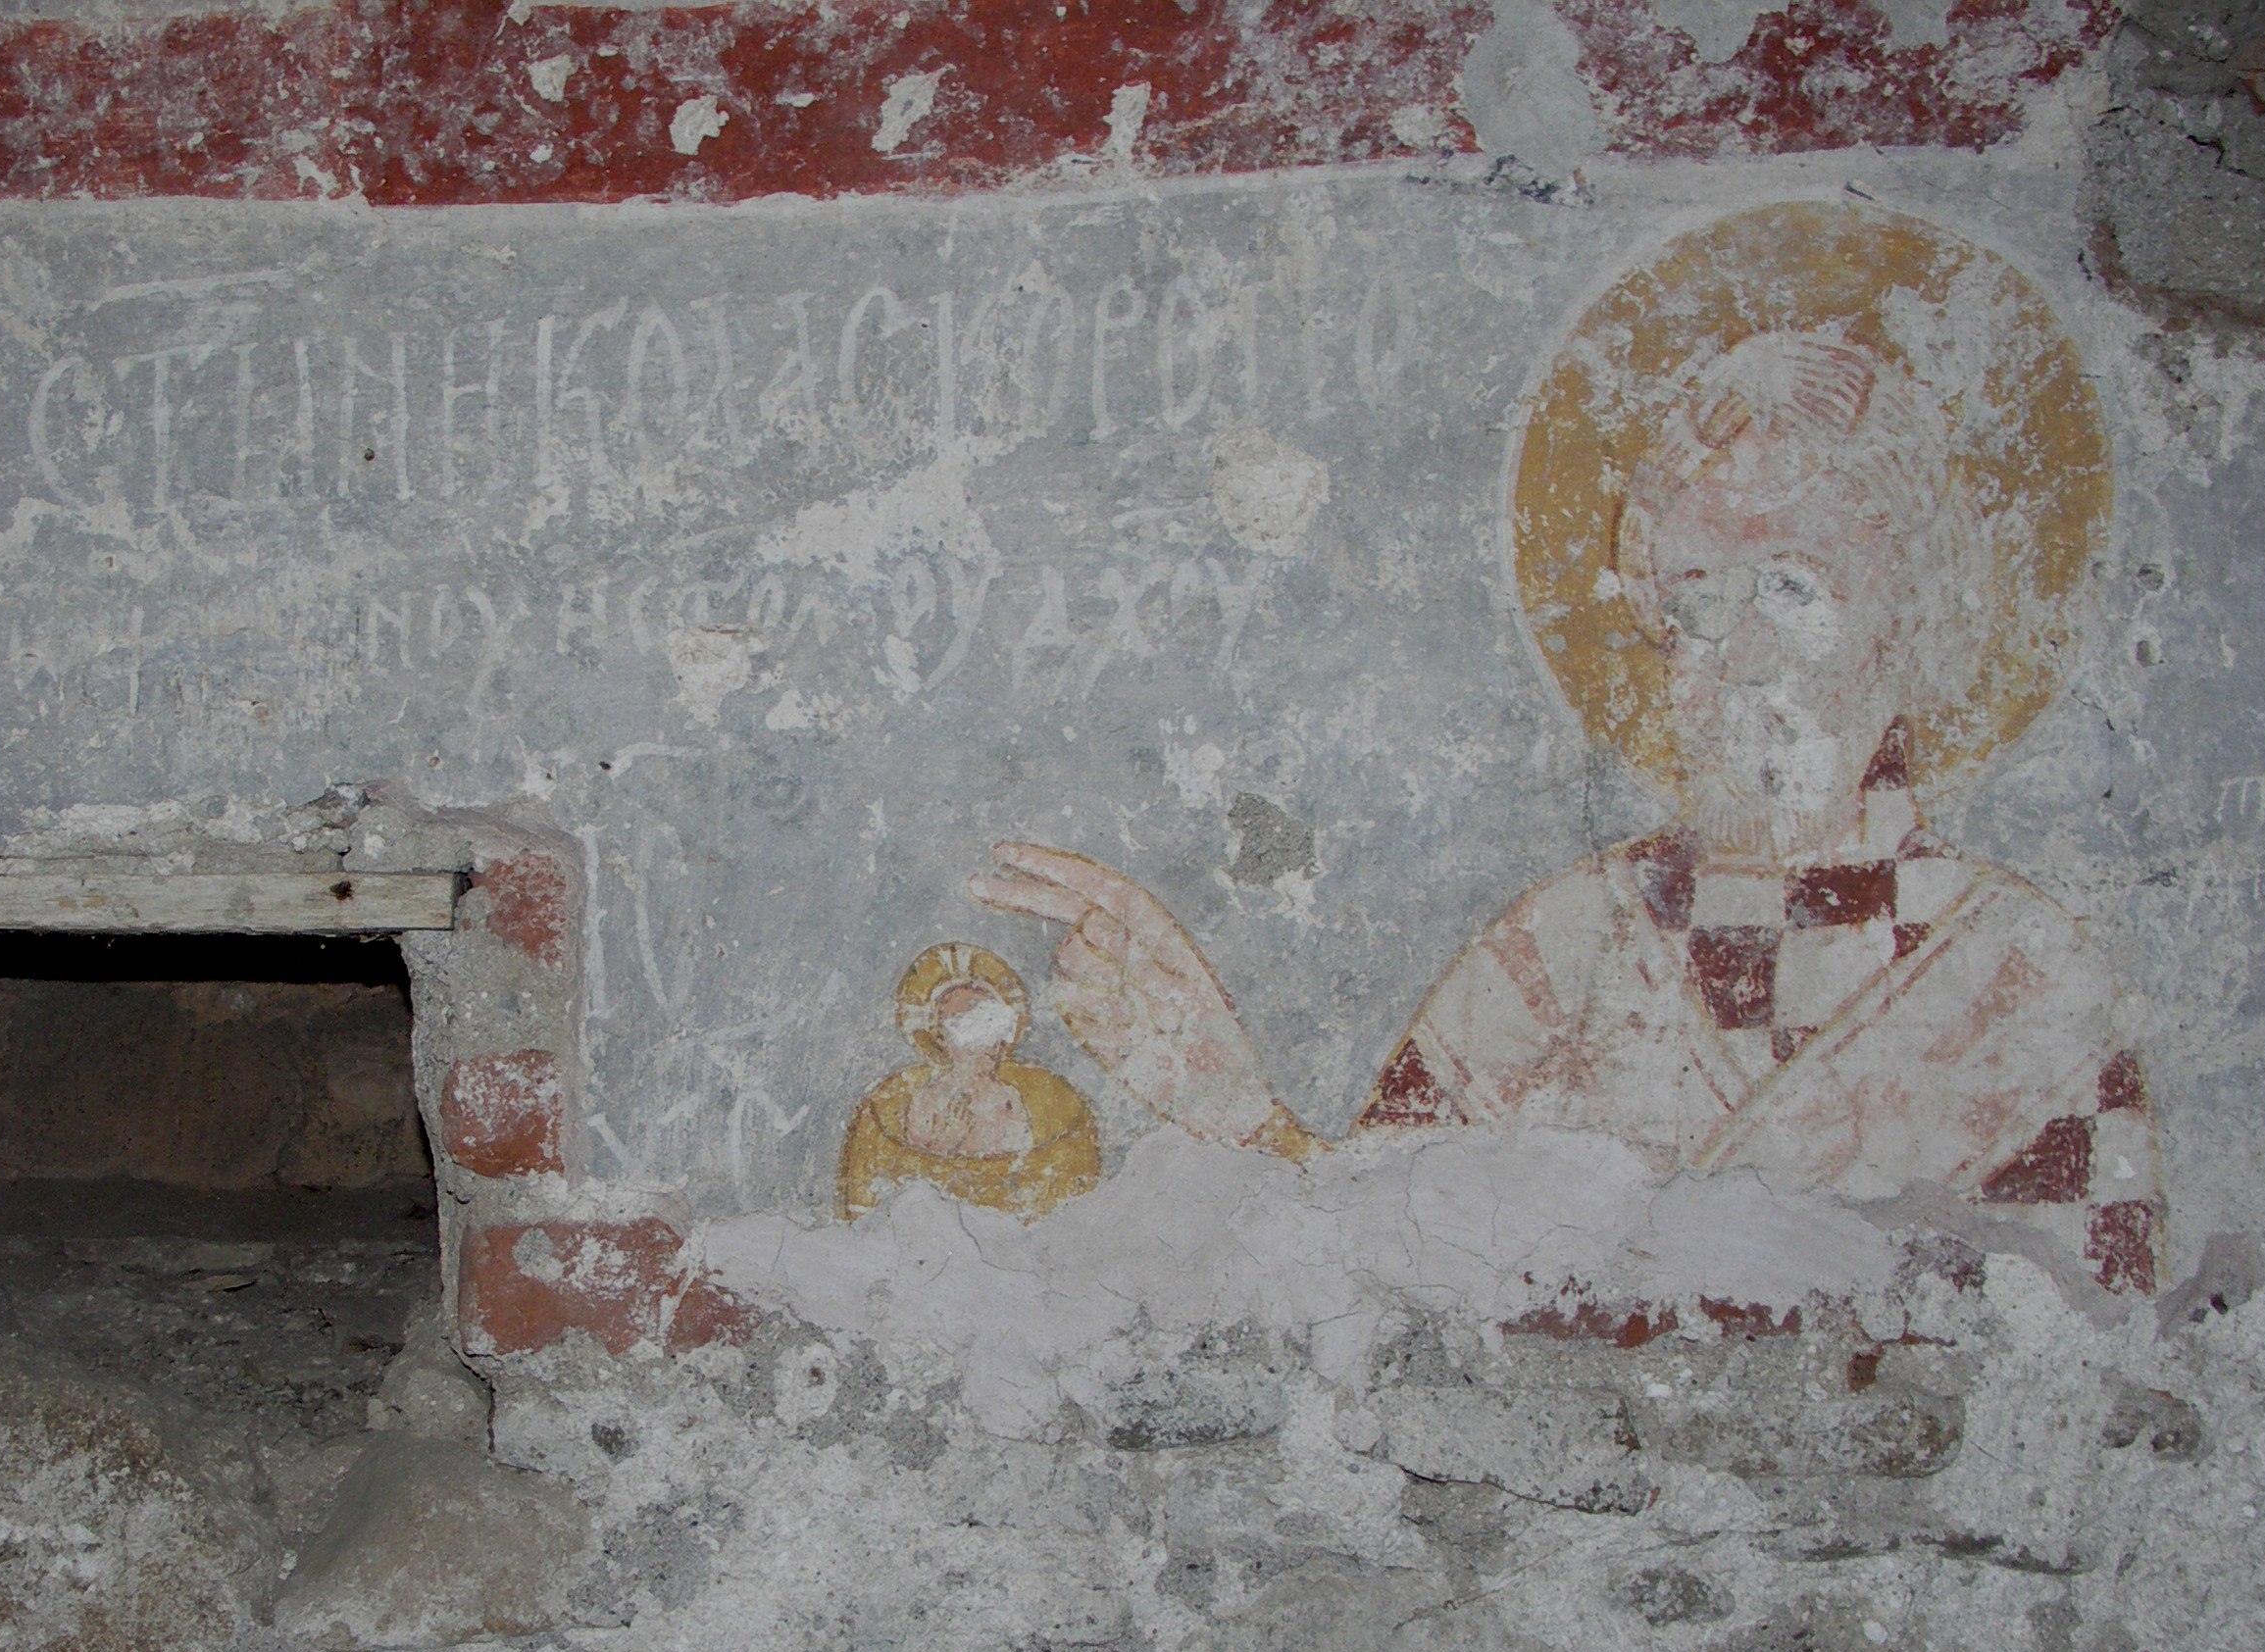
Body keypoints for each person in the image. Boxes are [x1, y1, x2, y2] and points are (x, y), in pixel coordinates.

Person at [974, 319, 2161, 1294]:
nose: (1736, 652)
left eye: (1792, 590)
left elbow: (2089, 1374)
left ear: (1906, 618)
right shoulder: (1556, 952)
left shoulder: (2019, 981)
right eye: (1694, 597)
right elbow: (1379, 1278)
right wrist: (1233, 1105)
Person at [838, 942, 1102, 1222]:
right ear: (941, 1037)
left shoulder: (1011, 1096)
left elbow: (1028, 1167)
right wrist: (944, 1144)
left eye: (994, 1026)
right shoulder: (929, 1099)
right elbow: (911, 1175)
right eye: (970, 1029)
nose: (988, 1044)